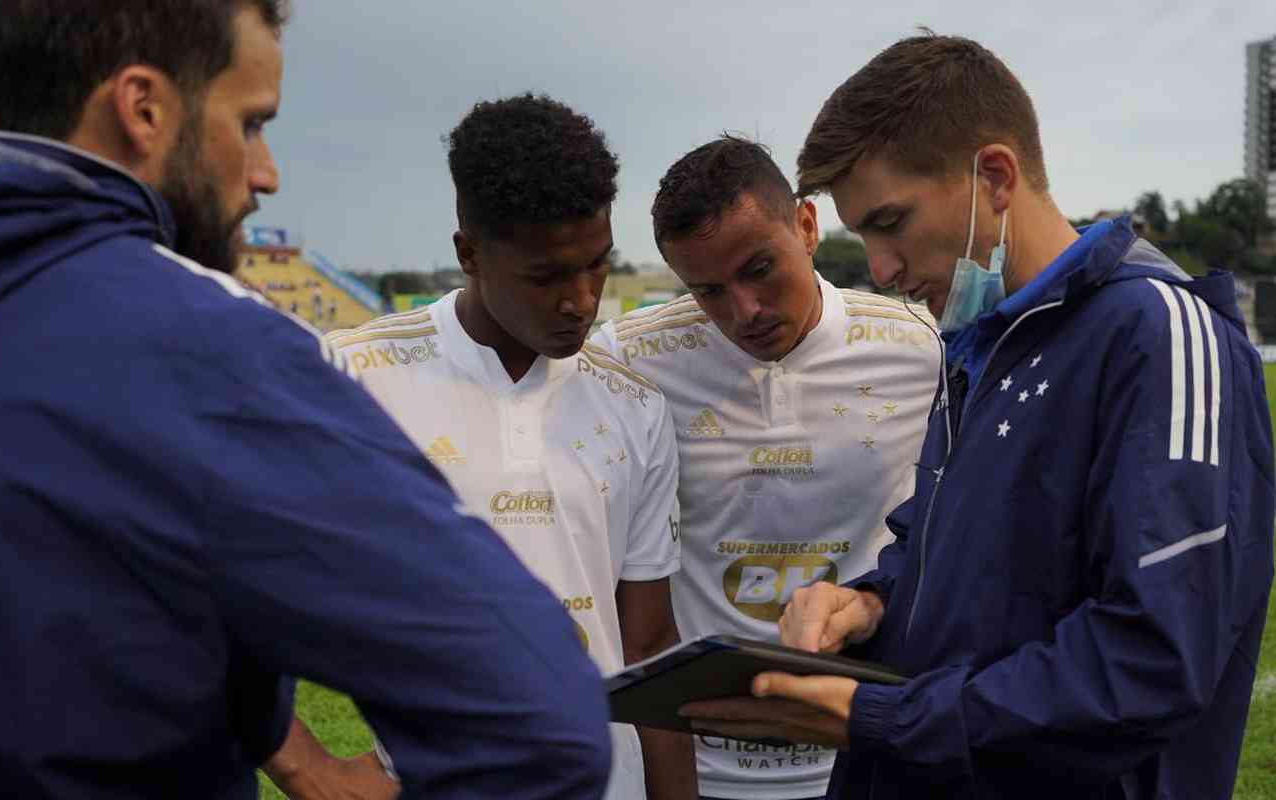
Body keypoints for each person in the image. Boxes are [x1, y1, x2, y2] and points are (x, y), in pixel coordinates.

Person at [0, 3, 611, 798]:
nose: (267, 171)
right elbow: (541, 722)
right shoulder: (208, 349)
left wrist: (287, 745)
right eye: (249, 125)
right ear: (144, 110)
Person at [680, 33, 1276, 800]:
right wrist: (869, 601)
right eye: (863, 235)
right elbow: (952, 555)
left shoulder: (1158, 333)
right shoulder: (978, 343)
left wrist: (887, 718)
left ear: (995, 175)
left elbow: (1150, 658)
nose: (883, 269)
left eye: (890, 222)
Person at [320, 93, 697, 800]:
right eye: (547, 275)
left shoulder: (634, 405)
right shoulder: (355, 378)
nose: (582, 300)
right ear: (469, 254)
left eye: (596, 266)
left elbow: (650, 651)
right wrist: (310, 768)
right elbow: (229, 589)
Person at [592, 135, 941, 800]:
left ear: (807, 226)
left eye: (759, 270)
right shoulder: (628, 358)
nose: (742, 312)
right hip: (697, 760)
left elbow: (942, 532)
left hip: (861, 750)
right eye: (708, 291)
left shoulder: (913, 347)